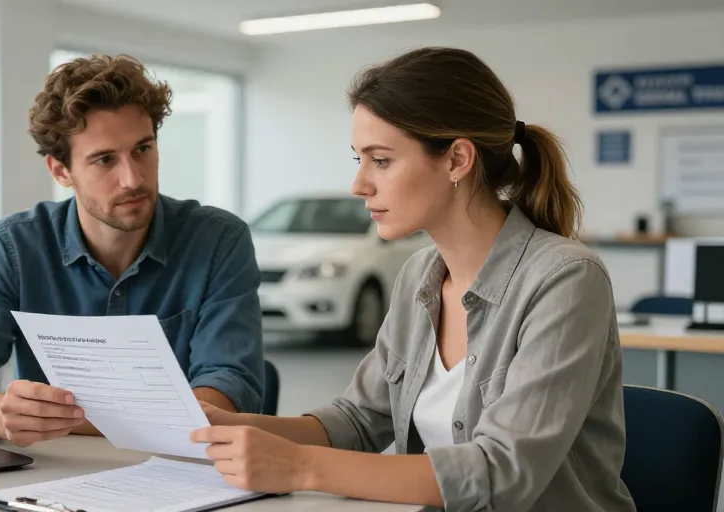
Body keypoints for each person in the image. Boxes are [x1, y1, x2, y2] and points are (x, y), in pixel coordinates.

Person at [191, 47, 637, 512]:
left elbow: (502, 472)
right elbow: (360, 419)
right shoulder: (418, 276)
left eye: (380, 160)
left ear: (457, 159)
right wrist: (233, 424)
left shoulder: (565, 279)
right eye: (358, 159)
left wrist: (301, 466)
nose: (359, 184)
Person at [0, 53, 265, 447]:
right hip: (55, 480)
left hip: (177, 472)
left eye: (143, 149)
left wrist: (66, 421)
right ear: (61, 171)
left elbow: (229, 391)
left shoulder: (218, 240)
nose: (132, 178)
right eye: (104, 159)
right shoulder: (14, 246)